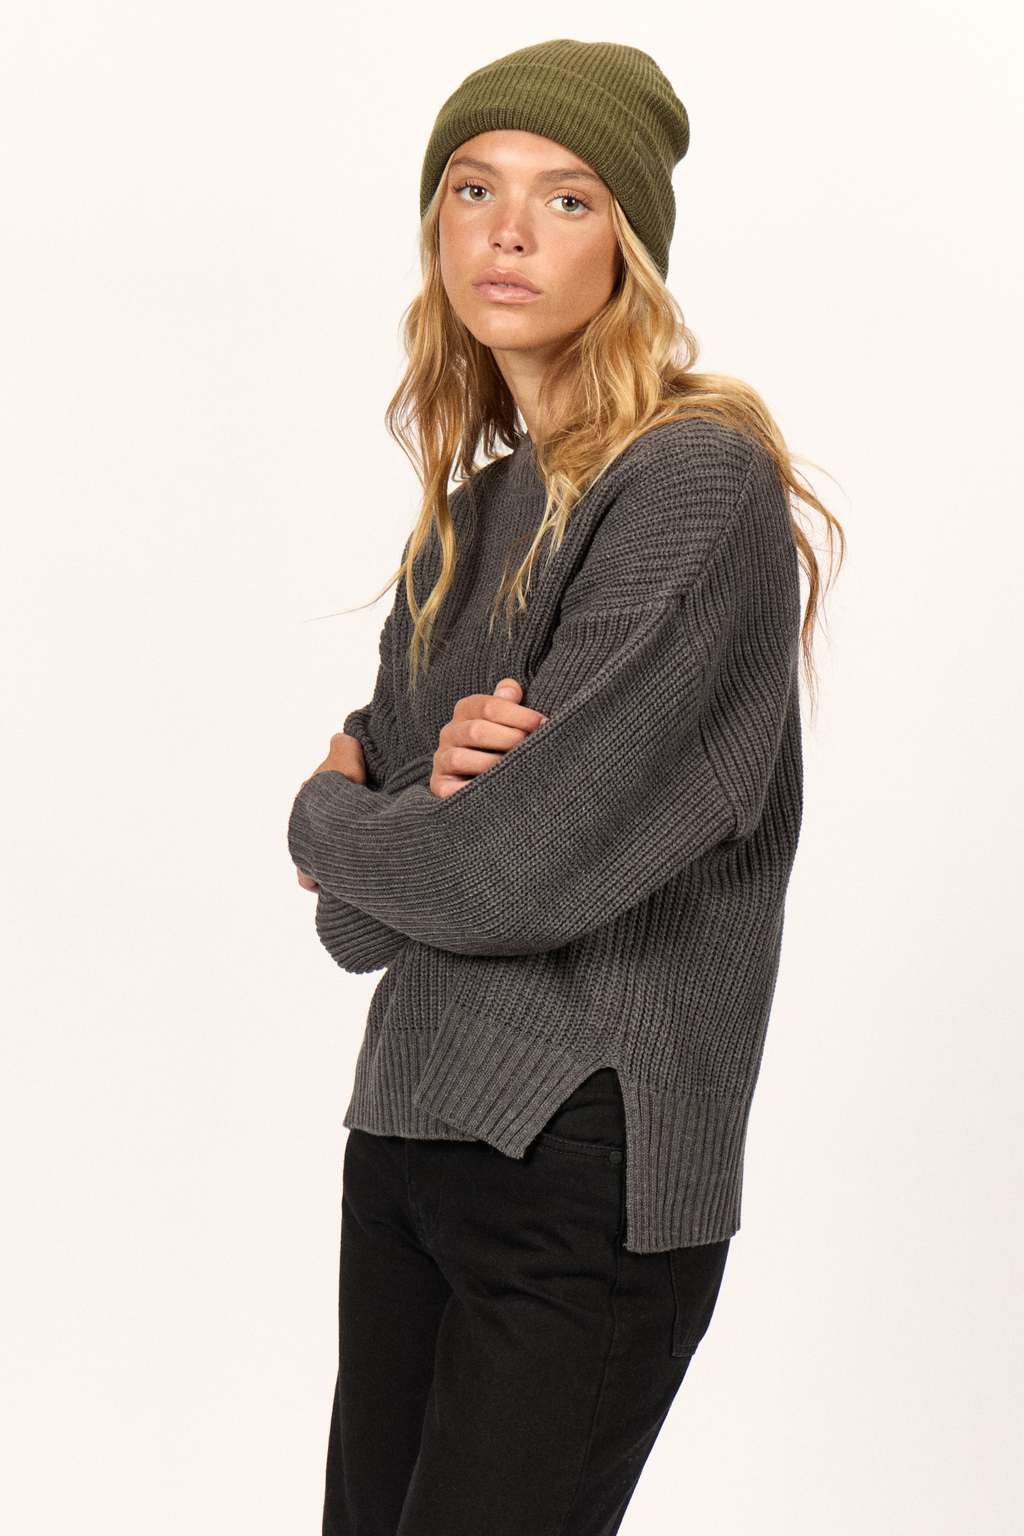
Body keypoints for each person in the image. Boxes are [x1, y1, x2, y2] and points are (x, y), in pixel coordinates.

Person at [288, 38, 845, 1536]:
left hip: (581, 1153)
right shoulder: (467, 519)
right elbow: (356, 927)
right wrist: (420, 815)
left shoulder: (692, 483)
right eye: (474, 190)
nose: (511, 232)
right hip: (403, 1138)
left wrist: (327, 815)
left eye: (569, 198)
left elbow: (502, 877)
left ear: (631, 247)